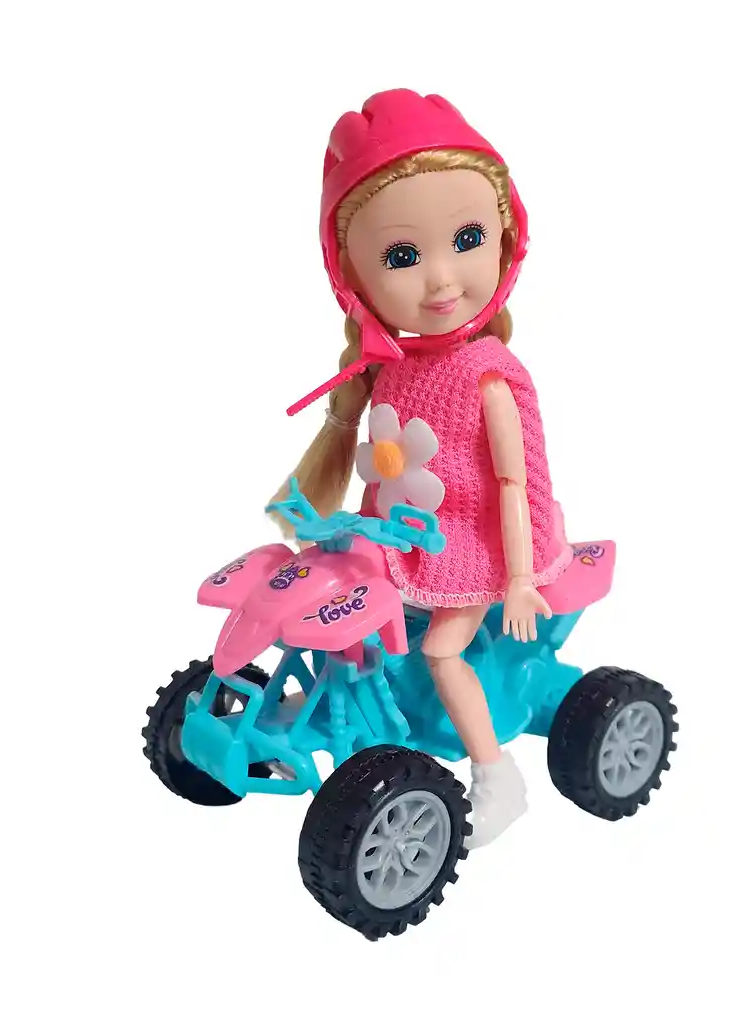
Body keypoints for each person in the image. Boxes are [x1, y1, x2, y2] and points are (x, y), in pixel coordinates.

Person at [271, 89, 572, 847]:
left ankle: (496, 774)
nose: (440, 280)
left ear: (505, 239)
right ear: (353, 277)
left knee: (441, 650)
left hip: (475, 548)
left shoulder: (490, 378)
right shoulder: (391, 370)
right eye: (402, 257)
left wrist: (519, 577)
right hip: (404, 536)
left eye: (467, 239)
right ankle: (333, 703)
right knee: (345, 607)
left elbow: (513, 482)